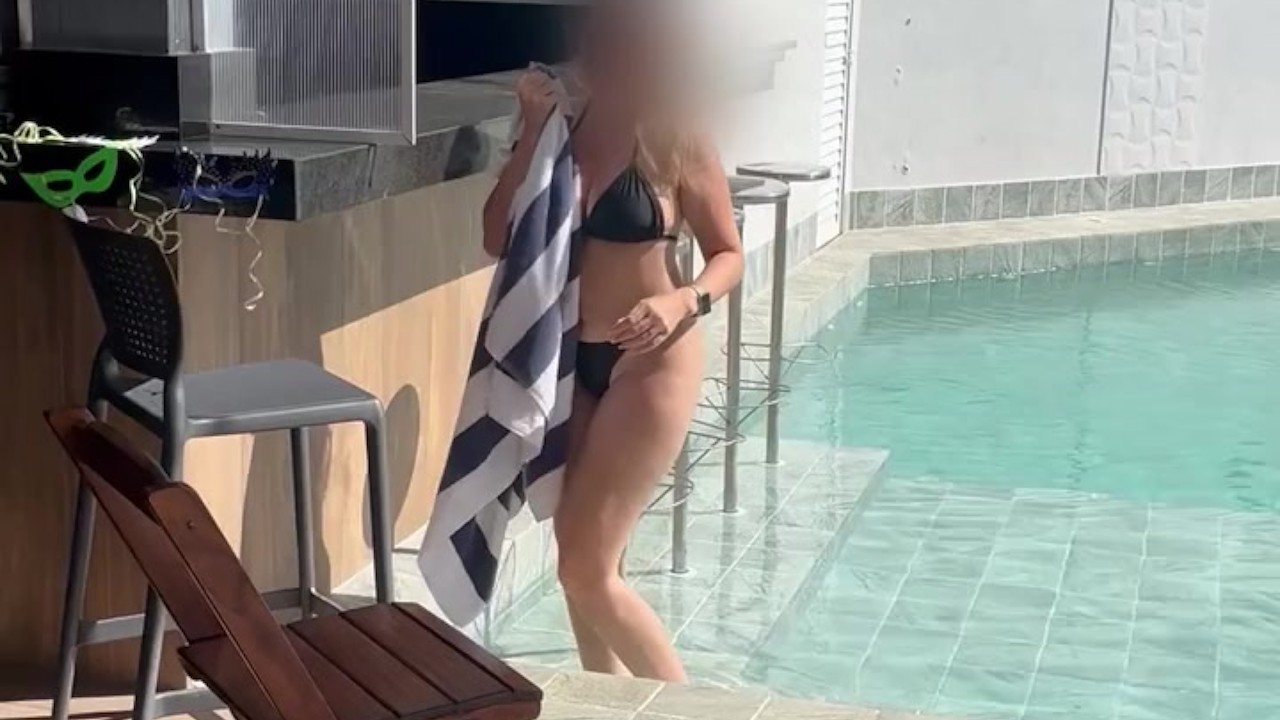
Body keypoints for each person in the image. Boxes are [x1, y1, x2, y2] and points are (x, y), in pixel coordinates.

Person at [479, 0, 743, 683]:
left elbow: (728, 254)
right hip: (574, 360)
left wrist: (682, 299)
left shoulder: (675, 133)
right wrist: (530, 130)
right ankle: (610, 701)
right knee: (582, 563)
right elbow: (496, 235)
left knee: (585, 568)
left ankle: (688, 707)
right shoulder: (562, 127)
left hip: (652, 362)